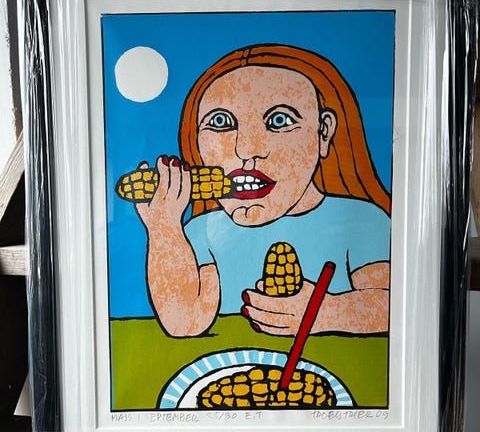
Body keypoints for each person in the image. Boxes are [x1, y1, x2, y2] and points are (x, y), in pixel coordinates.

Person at [136, 44, 391, 338]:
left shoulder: (361, 220)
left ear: (323, 132)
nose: (246, 149)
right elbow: (184, 323)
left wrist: (328, 312)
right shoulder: (199, 232)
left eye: (280, 120)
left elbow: (391, 302)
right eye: (221, 122)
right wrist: (164, 228)